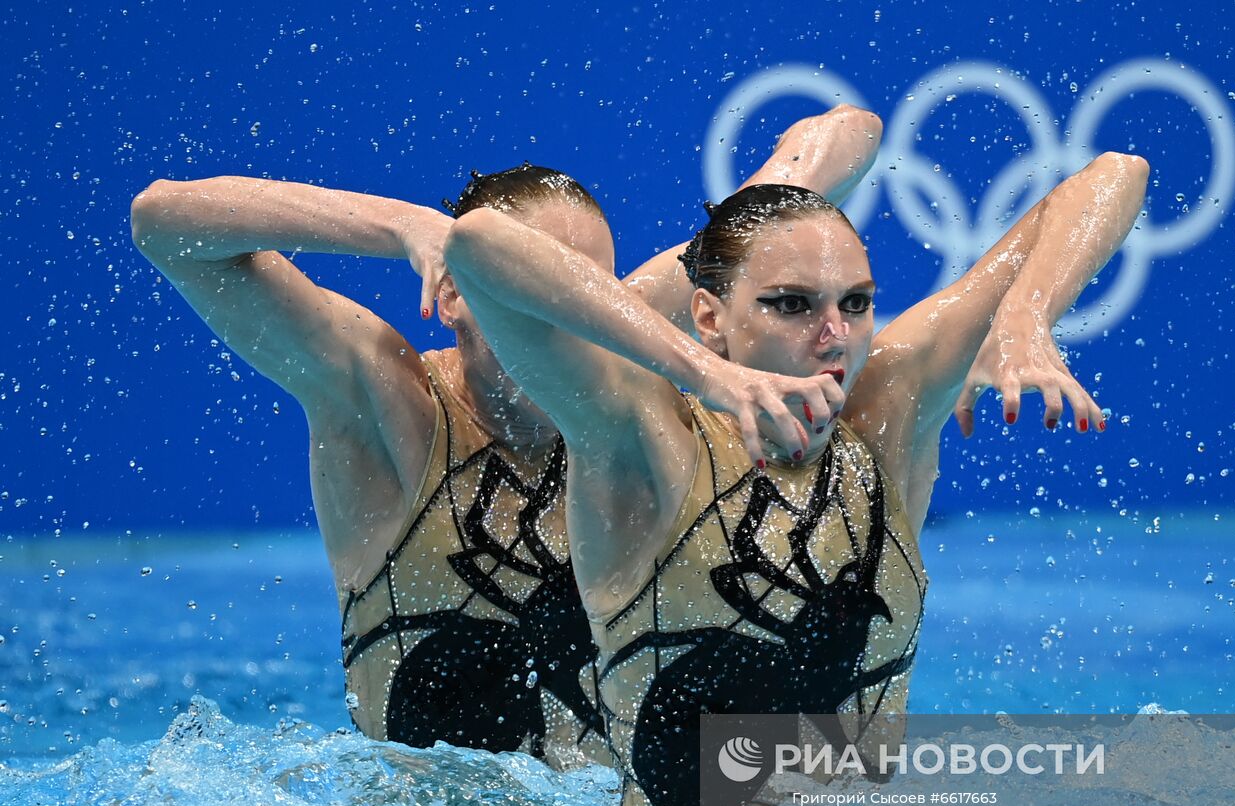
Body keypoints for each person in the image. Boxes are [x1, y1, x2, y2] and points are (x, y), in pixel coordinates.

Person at [128, 104, 884, 769]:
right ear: (457, 290)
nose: (559, 316)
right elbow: (162, 221)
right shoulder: (390, 406)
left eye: (582, 292)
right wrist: (403, 227)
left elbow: (849, 132)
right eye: (531, 282)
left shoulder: (618, 378)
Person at [436, 152, 1149, 806]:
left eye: (858, 302)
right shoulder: (644, 442)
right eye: (792, 305)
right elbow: (476, 246)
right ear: (711, 318)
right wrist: (707, 375)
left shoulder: (884, 420)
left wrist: (1025, 316)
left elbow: (1114, 176)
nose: (835, 334)